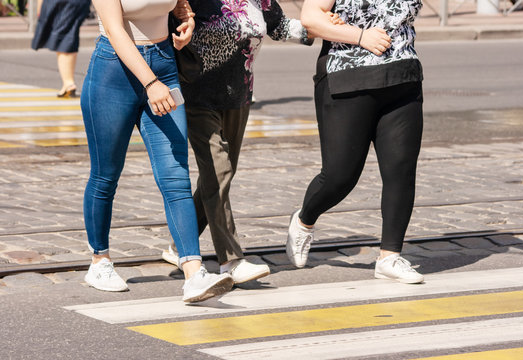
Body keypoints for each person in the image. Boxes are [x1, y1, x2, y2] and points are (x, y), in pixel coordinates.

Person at [161, 0, 342, 284]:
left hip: (238, 95)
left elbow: (280, 26)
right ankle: (230, 260)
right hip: (194, 94)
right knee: (219, 171)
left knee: (217, 176)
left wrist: (324, 26)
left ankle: (180, 244)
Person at [81, 0, 233, 302]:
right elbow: (114, 29)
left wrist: (185, 18)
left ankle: (193, 271)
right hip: (114, 72)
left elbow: (174, 5)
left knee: (176, 175)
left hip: (163, 64)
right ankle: (99, 261)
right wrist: (150, 83)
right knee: (105, 176)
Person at [286, 0, 425, 284]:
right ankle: (304, 220)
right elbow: (311, 19)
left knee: (401, 169)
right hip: (347, 76)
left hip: (403, 76)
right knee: (340, 175)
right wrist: (361, 36)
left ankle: (389, 256)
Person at [31, 0, 91, 97]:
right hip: (81, 3)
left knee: (63, 37)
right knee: (70, 34)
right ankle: (68, 82)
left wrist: (40, 9)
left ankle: (68, 83)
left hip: (62, 3)